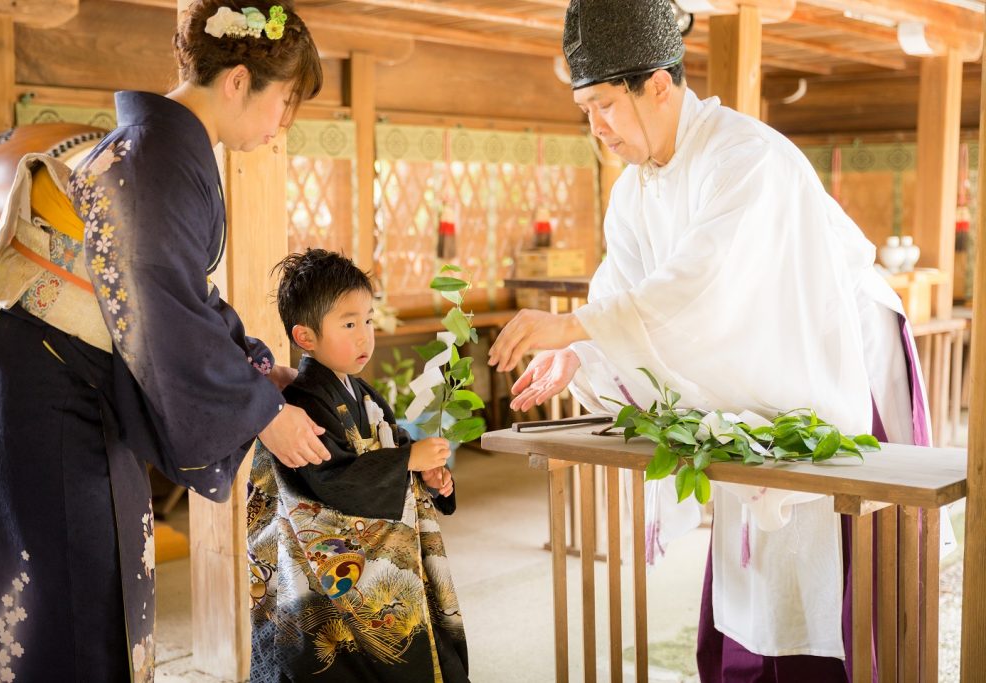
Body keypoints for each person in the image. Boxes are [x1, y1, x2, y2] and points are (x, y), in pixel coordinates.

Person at [488, 0, 934, 680]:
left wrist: (577, 324)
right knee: (757, 564)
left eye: (605, 105)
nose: (597, 127)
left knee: (832, 570)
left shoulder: (744, 157)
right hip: (759, 384)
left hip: (837, 367)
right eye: (586, 111)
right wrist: (576, 353)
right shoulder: (634, 192)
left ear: (659, 85)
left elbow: (702, 287)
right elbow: (625, 296)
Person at [0, 2, 331, 680]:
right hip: (52, 397)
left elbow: (178, 295)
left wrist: (255, 371)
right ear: (238, 80)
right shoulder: (160, 154)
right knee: (70, 616)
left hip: (41, 380)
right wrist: (262, 412)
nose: (283, 125)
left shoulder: (153, 148)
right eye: (284, 103)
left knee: (56, 609)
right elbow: (164, 309)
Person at [247, 249, 468, 682]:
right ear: (305, 337)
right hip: (325, 573)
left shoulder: (362, 392)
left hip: (374, 568)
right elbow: (329, 483)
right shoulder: (303, 402)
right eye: (349, 324)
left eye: (368, 320)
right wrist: (405, 459)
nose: (365, 336)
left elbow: (397, 445)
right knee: (337, 659)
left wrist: (428, 476)